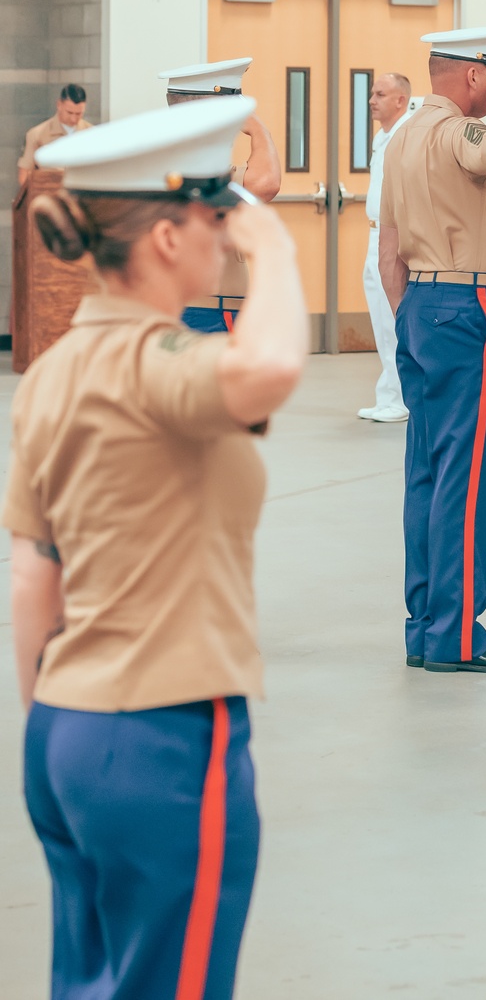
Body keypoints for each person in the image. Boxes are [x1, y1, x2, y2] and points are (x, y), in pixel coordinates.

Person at [3, 96, 308, 1000]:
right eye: (216, 218)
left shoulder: (53, 371)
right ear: (169, 237)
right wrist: (280, 251)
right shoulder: (151, 360)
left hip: (66, 727)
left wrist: (58, 722)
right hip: (164, 734)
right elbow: (270, 368)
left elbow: (32, 580)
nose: (228, 238)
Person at [379, 26, 486, 674]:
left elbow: (388, 249)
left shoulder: (402, 137)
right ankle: (457, 635)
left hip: (417, 304)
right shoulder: (452, 132)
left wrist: (412, 321)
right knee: (469, 481)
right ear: (475, 76)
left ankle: (425, 626)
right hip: (464, 304)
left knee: (429, 473)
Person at [160, 59, 282, 332]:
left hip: (190, 305)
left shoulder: (171, 159)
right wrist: (259, 129)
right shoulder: (197, 172)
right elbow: (266, 182)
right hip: (209, 310)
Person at [359, 72, 415, 423]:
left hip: (394, 236)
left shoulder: (407, 135)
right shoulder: (384, 136)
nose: (371, 100)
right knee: (381, 321)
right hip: (375, 232)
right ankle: (388, 395)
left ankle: (401, 399)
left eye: (380, 94)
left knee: (395, 320)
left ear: (400, 100)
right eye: (372, 93)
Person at [18, 83, 92, 185]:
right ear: (59, 105)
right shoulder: (37, 135)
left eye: (79, 113)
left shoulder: (92, 134)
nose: (73, 118)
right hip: (48, 194)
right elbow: (25, 173)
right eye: (69, 113)